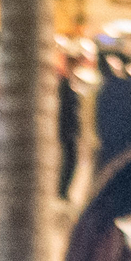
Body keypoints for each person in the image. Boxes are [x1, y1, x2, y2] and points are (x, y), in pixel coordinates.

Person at [56, 55, 83, 203]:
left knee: (70, 160)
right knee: (70, 160)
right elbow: (66, 109)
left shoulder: (69, 84)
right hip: (67, 129)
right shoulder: (64, 85)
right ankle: (62, 191)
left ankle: (63, 191)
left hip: (69, 129)